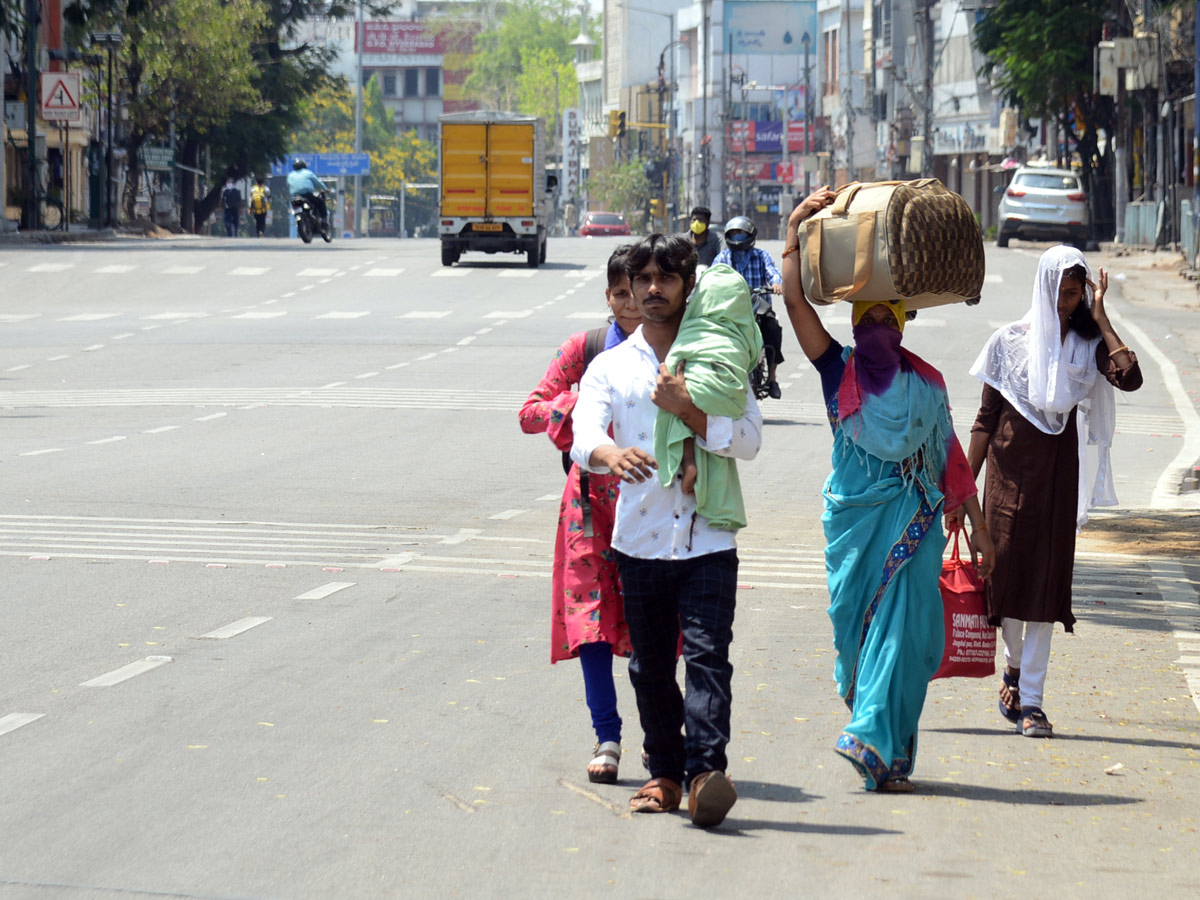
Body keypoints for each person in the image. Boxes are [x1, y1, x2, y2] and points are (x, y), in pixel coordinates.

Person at [781, 187, 995, 793]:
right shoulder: (836, 369)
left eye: (886, 319)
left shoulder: (926, 383)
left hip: (916, 518)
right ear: (855, 324)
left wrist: (977, 525)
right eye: (867, 319)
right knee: (864, 632)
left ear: (901, 324)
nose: (876, 328)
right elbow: (796, 302)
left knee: (906, 635)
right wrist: (794, 229)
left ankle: (877, 742)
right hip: (855, 527)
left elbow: (950, 455)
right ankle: (887, 751)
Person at [572, 234, 763, 828]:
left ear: (686, 288)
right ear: (628, 288)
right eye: (643, 280)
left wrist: (690, 410)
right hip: (640, 540)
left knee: (708, 659)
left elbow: (751, 439)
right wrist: (609, 452)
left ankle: (706, 772)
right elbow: (582, 433)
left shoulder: (717, 357)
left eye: (667, 279)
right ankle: (663, 773)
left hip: (708, 537)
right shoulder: (610, 366)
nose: (653, 290)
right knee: (650, 667)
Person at [958, 245, 1142, 739]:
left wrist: (1101, 319)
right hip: (1006, 477)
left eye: (1075, 293)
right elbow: (984, 419)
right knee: (1008, 577)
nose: (1066, 302)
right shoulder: (1007, 342)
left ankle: (1033, 702)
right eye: (1059, 291)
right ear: (1042, 289)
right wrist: (961, 491)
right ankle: (1013, 666)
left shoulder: (1088, 346)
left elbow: (1130, 379)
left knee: (1044, 582)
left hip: (1058, 480)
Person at [519, 246, 639, 784]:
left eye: (640, 291)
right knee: (589, 622)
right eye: (620, 294)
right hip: (588, 508)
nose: (632, 304)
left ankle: (665, 733)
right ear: (608, 297)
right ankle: (607, 735)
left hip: (652, 505)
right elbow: (529, 411)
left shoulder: (677, 346)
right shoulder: (584, 349)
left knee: (651, 626)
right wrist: (569, 409)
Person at [714, 216, 786, 399]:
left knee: (773, 329)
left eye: (741, 234)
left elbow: (773, 273)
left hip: (758, 305)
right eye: (734, 234)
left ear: (751, 236)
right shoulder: (723, 257)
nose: (737, 238)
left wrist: (776, 283)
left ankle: (772, 378)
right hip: (731, 308)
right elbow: (712, 276)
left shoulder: (762, 256)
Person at [287, 159, 330, 228]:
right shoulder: (308, 173)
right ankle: (323, 220)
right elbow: (317, 182)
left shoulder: (290, 175)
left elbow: (289, 185)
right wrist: (325, 189)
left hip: (295, 197)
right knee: (321, 202)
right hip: (307, 195)